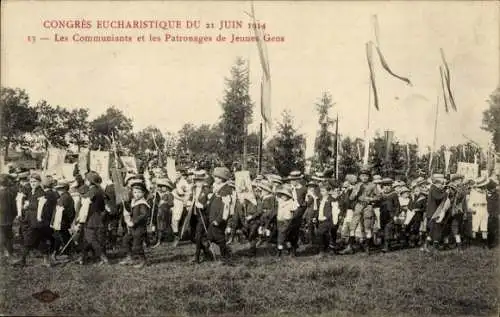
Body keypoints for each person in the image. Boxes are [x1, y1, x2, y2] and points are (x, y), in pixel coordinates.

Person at [13, 174, 57, 267]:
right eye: (31, 182)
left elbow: (40, 207)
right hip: (30, 218)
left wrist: (29, 206)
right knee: (39, 240)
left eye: (35, 182)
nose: (32, 183)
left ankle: (22, 260)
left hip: (36, 220)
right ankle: (46, 260)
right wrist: (25, 206)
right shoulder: (32, 192)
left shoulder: (40, 192)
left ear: (39, 182)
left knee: (29, 239)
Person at [77, 171, 109, 266]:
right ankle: (83, 257)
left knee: (91, 239)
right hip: (98, 217)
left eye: (86, 179)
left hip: (91, 218)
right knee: (86, 239)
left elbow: (86, 204)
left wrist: (81, 218)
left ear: (89, 181)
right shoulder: (99, 190)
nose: (85, 181)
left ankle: (103, 258)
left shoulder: (92, 191)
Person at [119, 181, 150, 268]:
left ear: (143, 193)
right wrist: (124, 203)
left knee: (137, 245)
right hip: (133, 228)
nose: (136, 194)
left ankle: (143, 261)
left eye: (139, 192)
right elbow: (130, 210)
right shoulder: (134, 201)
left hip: (139, 228)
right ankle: (130, 258)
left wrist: (134, 221)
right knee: (126, 241)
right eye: (135, 192)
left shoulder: (142, 204)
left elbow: (144, 215)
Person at [206, 167, 233, 263]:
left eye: (217, 177)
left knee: (219, 239)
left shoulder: (226, 190)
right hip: (212, 218)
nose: (215, 179)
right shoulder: (218, 189)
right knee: (209, 237)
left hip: (218, 220)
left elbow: (226, 208)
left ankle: (225, 256)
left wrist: (219, 220)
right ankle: (210, 254)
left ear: (222, 179)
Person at [50, 180, 76, 263]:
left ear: (65, 189)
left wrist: (55, 223)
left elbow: (59, 212)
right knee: (65, 237)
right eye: (58, 189)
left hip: (61, 222)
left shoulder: (64, 197)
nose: (58, 191)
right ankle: (70, 252)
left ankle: (56, 254)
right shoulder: (66, 196)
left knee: (58, 237)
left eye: (60, 189)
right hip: (64, 221)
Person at [287, 171, 307, 256]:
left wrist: (302, 210)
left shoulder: (303, 189)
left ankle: (293, 249)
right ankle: (289, 246)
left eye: (295, 180)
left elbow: (306, 202)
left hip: (298, 211)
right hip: (288, 210)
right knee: (286, 229)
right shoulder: (287, 189)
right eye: (292, 180)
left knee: (294, 230)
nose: (293, 182)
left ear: (299, 180)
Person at [378, 178, 400, 253]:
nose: (386, 187)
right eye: (384, 186)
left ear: (391, 186)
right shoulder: (381, 195)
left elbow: (397, 206)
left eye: (388, 186)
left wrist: (396, 215)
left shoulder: (394, 194)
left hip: (391, 214)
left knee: (388, 229)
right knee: (383, 229)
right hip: (383, 214)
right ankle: (386, 244)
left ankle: (386, 246)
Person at [152, 178, 174, 248]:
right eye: (162, 186)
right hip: (160, 211)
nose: (162, 188)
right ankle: (162, 239)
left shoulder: (170, 194)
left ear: (167, 187)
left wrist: (165, 202)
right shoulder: (163, 194)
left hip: (165, 211)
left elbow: (171, 203)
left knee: (162, 226)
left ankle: (160, 241)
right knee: (161, 226)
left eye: (164, 186)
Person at [314, 182, 334, 256]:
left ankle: (322, 251)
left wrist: (326, 217)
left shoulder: (331, 199)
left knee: (320, 233)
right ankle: (326, 249)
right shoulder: (320, 199)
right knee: (324, 234)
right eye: (321, 191)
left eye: (323, 191)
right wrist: (315, 217)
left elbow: (333, 210)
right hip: (320, 219)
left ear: (328, 191)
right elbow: (319, 209)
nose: (322, 192)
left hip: (326, 220)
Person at [0, 174, 16, 260]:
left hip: (1, 217)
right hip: (9, 218)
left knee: (2, 234)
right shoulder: (11, 193)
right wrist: (13, 216)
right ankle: (10, 251)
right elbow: (14, 207)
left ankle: (4, 251)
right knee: (9, 235)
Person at [275, 185, 295, 256]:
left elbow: (292, 213)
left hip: (286, 221)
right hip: (280, 220)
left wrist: (289, 221)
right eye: (282, 195)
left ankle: (279, 251)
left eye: (285, 195)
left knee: (281, 236)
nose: (283, 197)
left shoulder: (291, 202)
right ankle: (290, 249)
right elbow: (275, 194)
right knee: (285, 237)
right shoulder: (280, 201)